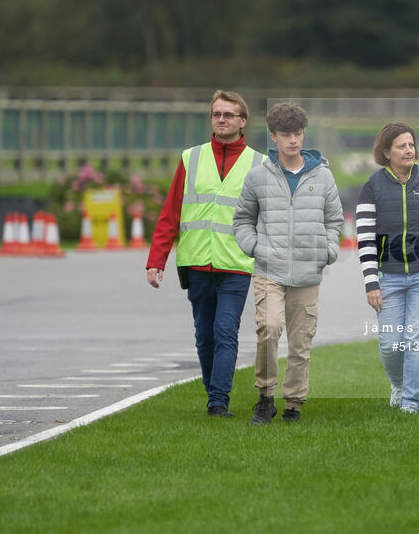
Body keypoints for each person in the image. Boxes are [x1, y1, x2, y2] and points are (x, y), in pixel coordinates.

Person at [146, 90, 261, 418]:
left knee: (226, 330)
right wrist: (157, 260)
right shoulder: (191, 158)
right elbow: (171, 213)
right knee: (204, 335)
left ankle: (218, 402)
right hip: (196, 262)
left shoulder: (259, 164)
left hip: (236, 264)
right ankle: (214, 391)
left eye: (228, 115)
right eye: (217, 114)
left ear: (242, 121)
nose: (221, 119)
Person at [233, 103, 343, 425]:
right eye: (285, 135)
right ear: (274, 137)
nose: (292, 140)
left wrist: (329, 250)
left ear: (303, 134)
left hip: (309, 272)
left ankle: (293, 403)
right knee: (269, 328)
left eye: (297, 133)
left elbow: (334, 219)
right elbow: (242, 220)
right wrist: (256, 248)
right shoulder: (258, 177)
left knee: (300, 341)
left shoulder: (323, 176)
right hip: (270, 269)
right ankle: (265, 398)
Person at [355, 122, 419, 413]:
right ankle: (398, 385)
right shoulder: (372, 187)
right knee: (390, 344)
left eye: (411, 144)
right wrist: (371, 283)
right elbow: (365, 240)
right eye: (401, 145)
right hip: (386, 277)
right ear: (386, 152)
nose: (408, 150)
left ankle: (410, 404)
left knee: (415, 338)